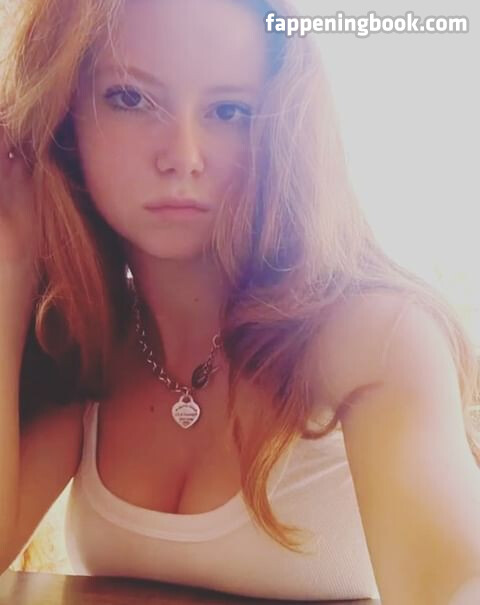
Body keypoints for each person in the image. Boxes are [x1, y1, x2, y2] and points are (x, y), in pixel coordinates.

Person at [0, 0, 479, 602]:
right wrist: (12, 265)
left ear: (281, 129)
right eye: (130, 98)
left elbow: (458, 582)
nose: (182, 156)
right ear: (64, 118)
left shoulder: (375, 336)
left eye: (229, 111)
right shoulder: (92, 344)